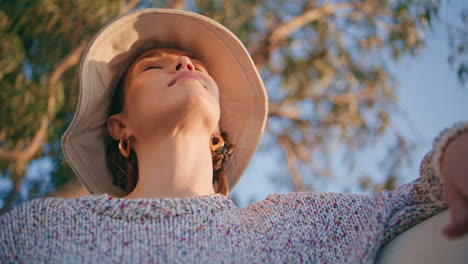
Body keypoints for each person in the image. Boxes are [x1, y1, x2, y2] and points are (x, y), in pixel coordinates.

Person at [0, 8, 467, 264]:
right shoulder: (38, 231)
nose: (184, 64)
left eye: (196, 65)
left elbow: (421, 201)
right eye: (152, 66)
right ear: (120, 127)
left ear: (220, 130)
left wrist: (453, 153)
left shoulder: (295, 228)